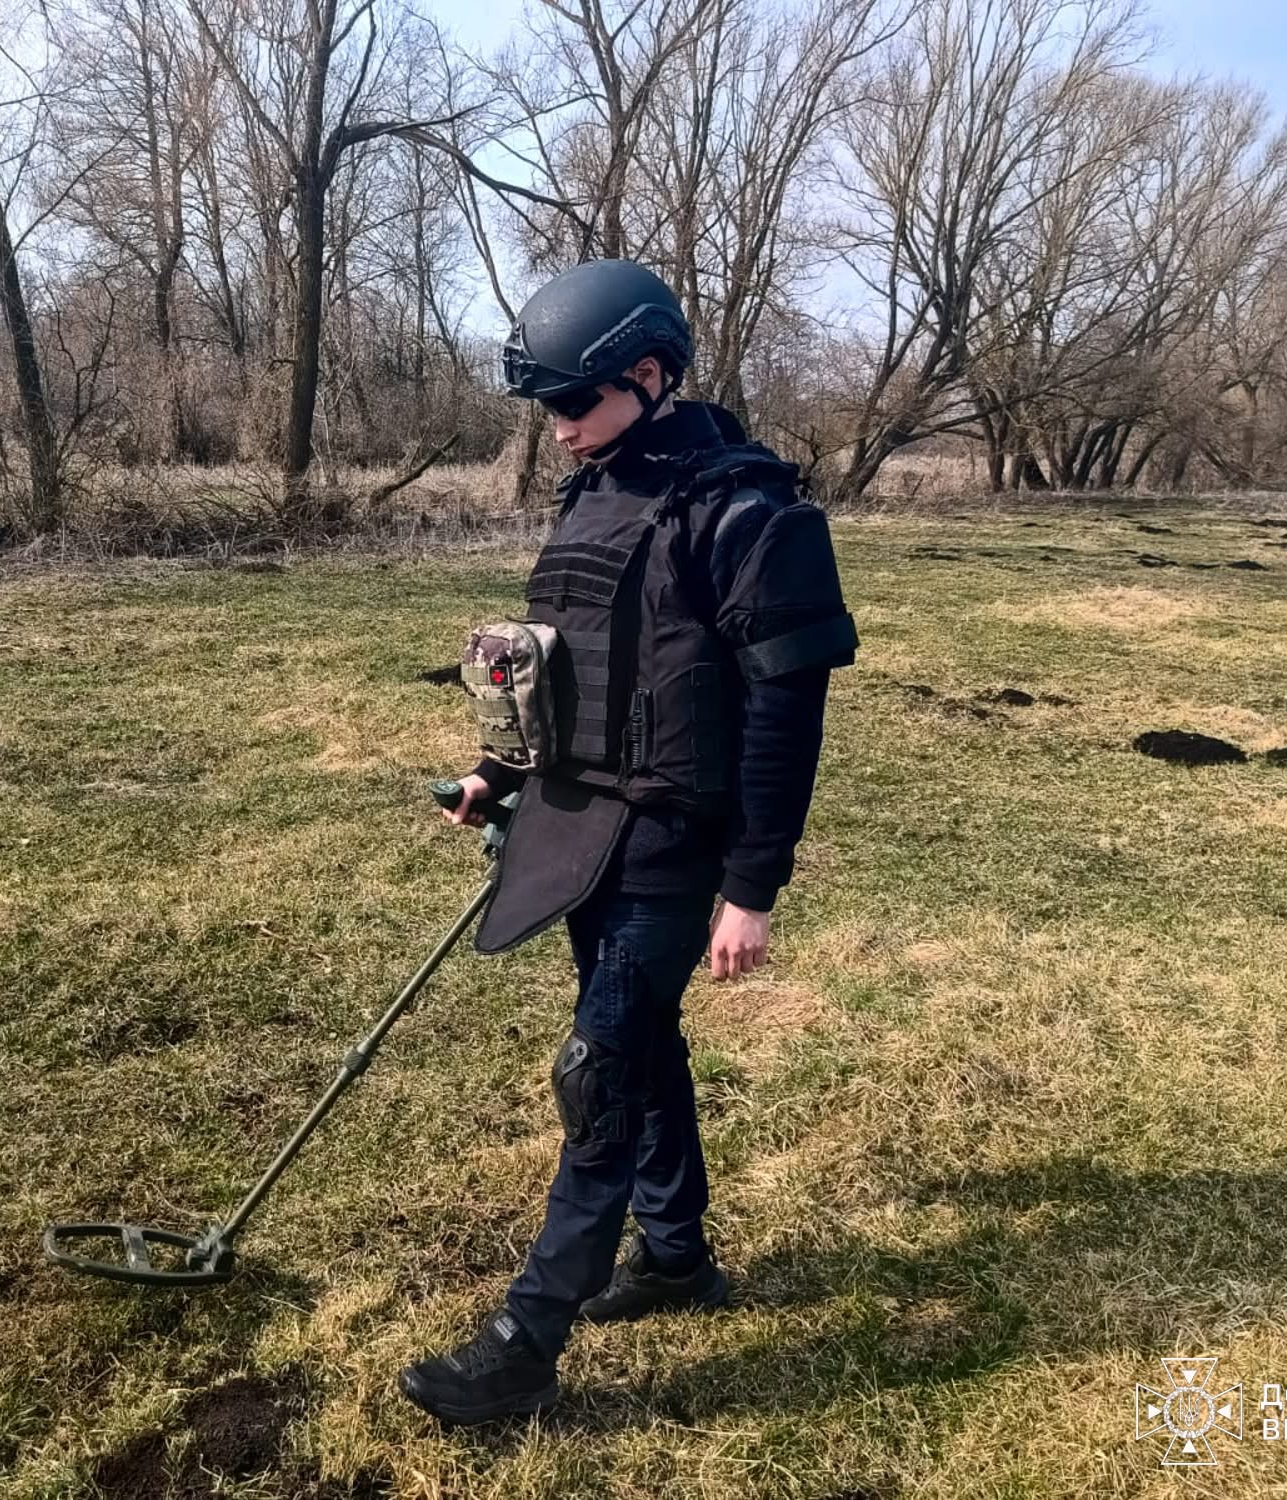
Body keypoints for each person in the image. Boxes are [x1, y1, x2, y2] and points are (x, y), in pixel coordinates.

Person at [397, 259, 859, 1427]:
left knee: (596, 1072)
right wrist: (494, 772)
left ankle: (522, 1343)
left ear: (650, 375)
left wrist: (749, 889)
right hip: (570, 827)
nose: (555, 431)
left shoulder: (754, 516)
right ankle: (674, 1254)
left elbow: (781, 723)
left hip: (670, 840)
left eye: (572, 403)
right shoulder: (592, 492)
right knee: (638, 1050)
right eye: (544, 408)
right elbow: (564, 674)